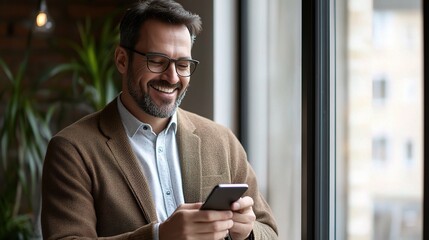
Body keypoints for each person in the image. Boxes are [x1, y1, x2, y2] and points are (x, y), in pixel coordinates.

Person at [41, 0, 278, 239]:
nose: (172, 77)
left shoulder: (222, 141)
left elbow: (269, 231)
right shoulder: (72, 150)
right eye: (157, 61)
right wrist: (159, 236)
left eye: (183, 64)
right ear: (122, 59)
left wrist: (247, 233)